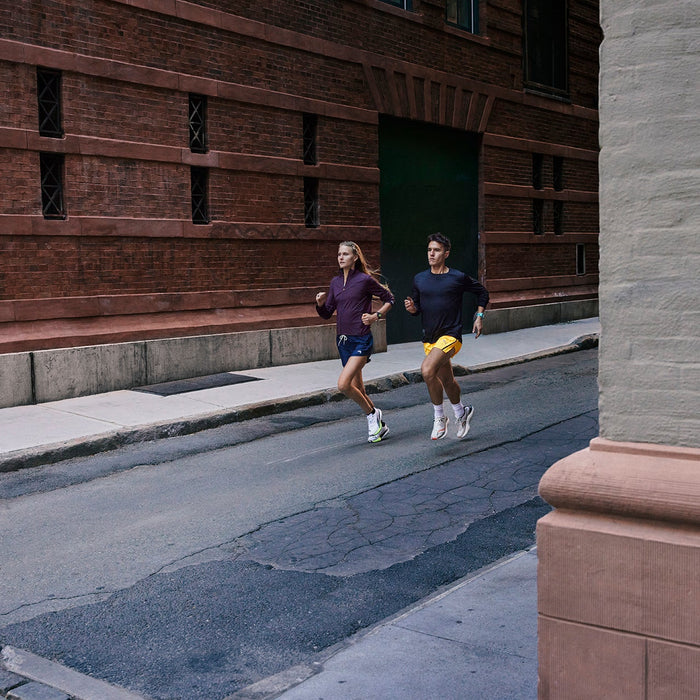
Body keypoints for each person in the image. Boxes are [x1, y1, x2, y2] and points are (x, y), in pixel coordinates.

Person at [404, 232, 489, 440]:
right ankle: (462, 412)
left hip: (451, 335)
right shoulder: (420, 279)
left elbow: (482, 292)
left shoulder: (457, 277)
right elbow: (418, 309)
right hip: (430, 338)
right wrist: (412, 308)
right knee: (448, 381)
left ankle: (440, 417)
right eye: (429, 250)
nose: (431, 254)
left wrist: (478, 316)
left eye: (437, 250)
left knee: (427, 370)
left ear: (446, 253)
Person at [316, 241, 395, 443]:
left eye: (345, 254)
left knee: (343, 385)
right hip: (343, 341)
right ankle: (380, 427)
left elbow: (389, 299)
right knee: (358, 387)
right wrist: (319, 304)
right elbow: (326, 314)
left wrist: (375, 316)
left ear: (354, 258)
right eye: (339, 254)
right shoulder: (335, 283)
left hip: (361, 339)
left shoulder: (364, 280)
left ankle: (372, 415)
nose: (341, 257)